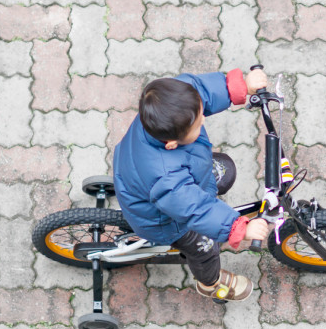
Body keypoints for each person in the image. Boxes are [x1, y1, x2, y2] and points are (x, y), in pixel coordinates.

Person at [112, 68, 273, 302]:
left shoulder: (168, 106)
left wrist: (240, 86)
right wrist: (238, 228)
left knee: (226, 170)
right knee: (207, 248)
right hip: (166, 221)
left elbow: (200, 91)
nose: (204, 119)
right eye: (197, 126)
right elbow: (194, 208)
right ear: (171, 144)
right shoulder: (166, 179)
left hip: (155, 172)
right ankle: (210, 283)